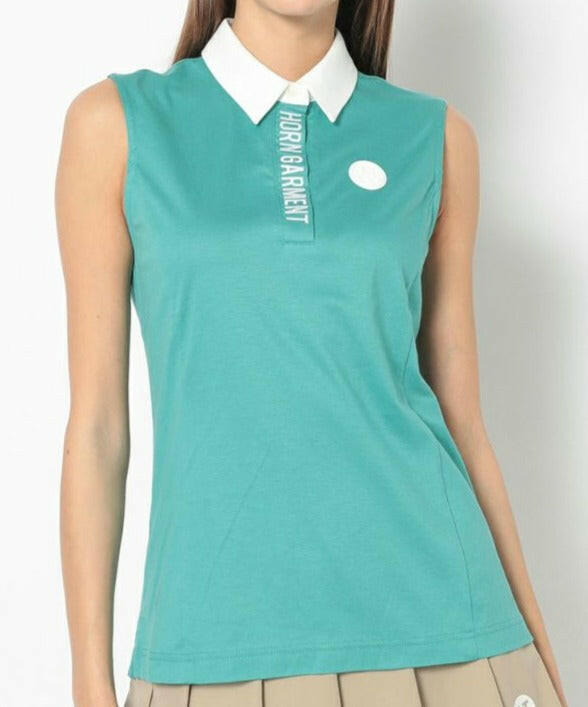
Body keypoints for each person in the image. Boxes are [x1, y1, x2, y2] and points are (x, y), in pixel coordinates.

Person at [55, 1, 568, 706]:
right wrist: (90, 681)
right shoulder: (117, 124)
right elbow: (97, 430)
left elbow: (464, 423)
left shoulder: (437, 137)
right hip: (213, 647)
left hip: (449, 637)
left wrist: (537, 642)